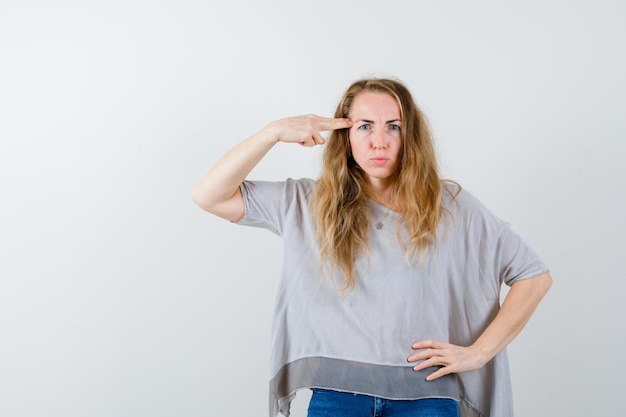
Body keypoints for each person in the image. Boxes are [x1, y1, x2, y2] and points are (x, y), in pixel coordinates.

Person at [191, 77, 552, 417]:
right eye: (364, 126)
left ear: (410, 135)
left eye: (393, 126)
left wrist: (478, 354)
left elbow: (534, 277)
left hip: (427, 397)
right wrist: (271, 133)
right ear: (344, 135)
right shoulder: (306, 201)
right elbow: (208, 195)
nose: (379, 141)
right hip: (337, 398)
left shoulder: (450, 205)